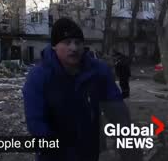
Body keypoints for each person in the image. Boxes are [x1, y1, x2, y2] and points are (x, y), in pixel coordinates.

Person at [22, 18, 141, 161]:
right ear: (54, 46)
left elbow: (118, 113)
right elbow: (36, 123)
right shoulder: (38, 77)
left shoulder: (98, 71)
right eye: (67, 42)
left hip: (90, 152)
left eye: (78, 42)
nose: (74, 48)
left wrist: (130, 152)